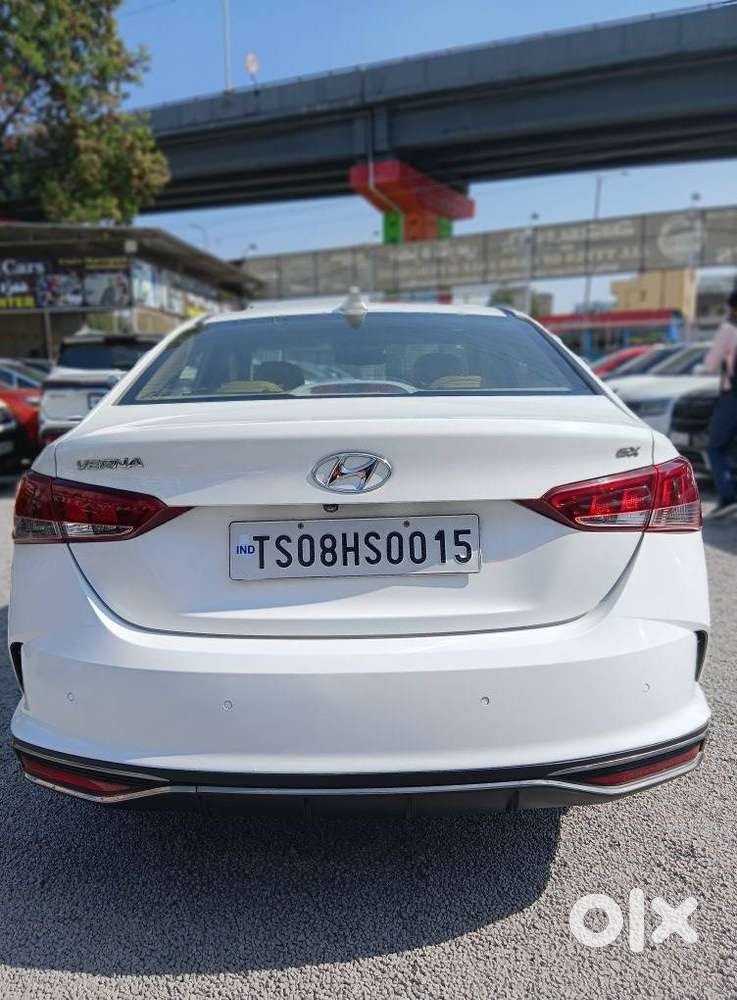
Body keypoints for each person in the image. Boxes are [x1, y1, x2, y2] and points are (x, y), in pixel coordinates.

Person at [703, 290, 737, 518]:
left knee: (716, 447)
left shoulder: (728, 329)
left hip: (732, 396)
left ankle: (728, 497)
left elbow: (710, 364)